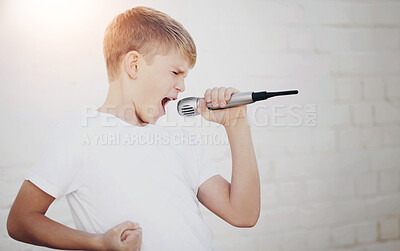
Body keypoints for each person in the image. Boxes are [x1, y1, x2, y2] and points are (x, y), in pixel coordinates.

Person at [7, 6, 260, 251]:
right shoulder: (78, 135)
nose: (182, 87)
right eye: (175, 72)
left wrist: (236, 124)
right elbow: (21, 220)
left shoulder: (182, 141)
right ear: (134, 65)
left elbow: (243, 214)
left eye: (185, 77)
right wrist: (99, 243)